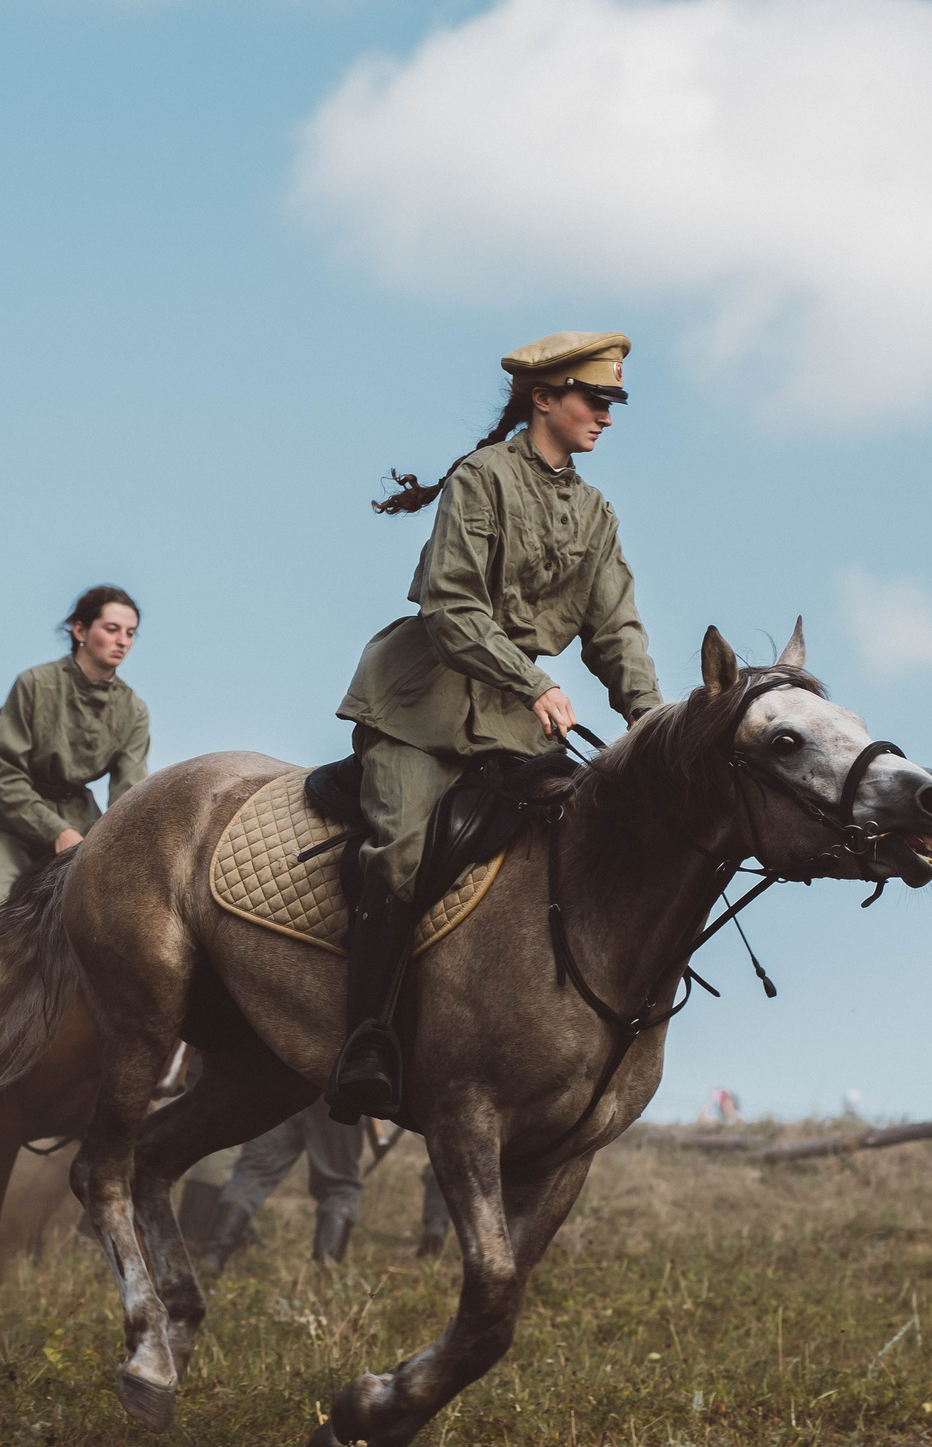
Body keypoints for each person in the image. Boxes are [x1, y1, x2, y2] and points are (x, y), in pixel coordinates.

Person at [329, 331, 664, 1119]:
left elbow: (617, 632)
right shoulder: (482, 480)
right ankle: (366, 1042)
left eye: (613, 402)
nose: (606, 416)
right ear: (544, 398)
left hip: (518, 725)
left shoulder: (597, 513)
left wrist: (651, 724)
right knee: (401, 850)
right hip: (422, 708)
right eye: (595, 398)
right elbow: (450, 608)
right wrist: (533, 679)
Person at [0, 587, 149, 936]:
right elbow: (6, 774)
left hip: (81, 826)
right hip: (2, 820)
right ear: (80, 630)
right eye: (112, 629)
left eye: (130, 633)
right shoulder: (34, 684)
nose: (123, 641)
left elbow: (128, 796)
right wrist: (55, 830)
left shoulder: (134, 711)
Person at [193, 1108, 369, 1277]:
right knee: (339, 1187)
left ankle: (213, 1255)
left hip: (281, 1085)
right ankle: (326, 1277)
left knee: (251, 1176)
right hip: (335, 1092)